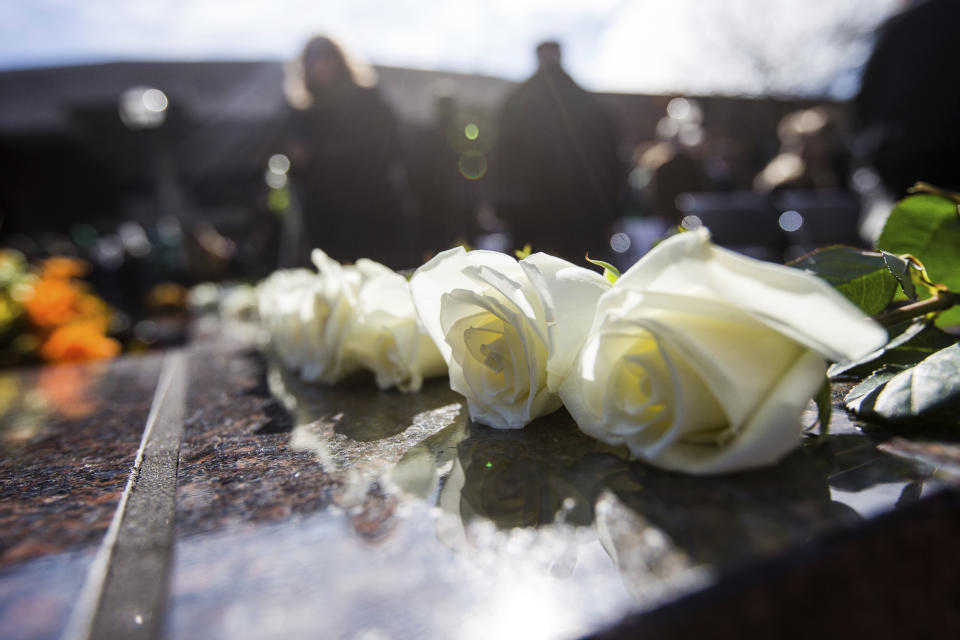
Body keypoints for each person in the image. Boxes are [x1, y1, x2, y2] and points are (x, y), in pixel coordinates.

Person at [279, 35, 411, 267]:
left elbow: (386, 149)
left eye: (326, 57)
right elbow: (296, 163)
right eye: (313, 59)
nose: (320, 65)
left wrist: (317, 155)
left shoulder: (367, 99)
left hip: (373, 210)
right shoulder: (302, 110)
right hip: (328, 218)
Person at [495, 41, 624, 263]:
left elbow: (609, 155)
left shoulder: (517, 101)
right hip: (565, 212)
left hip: (551, 212)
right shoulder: (587, 101)